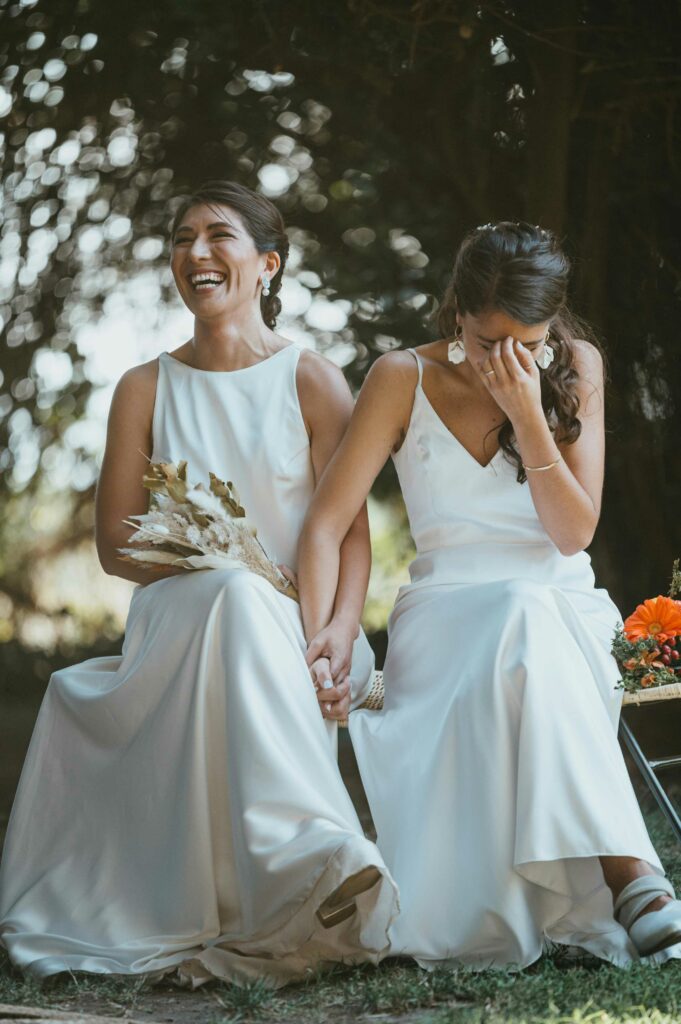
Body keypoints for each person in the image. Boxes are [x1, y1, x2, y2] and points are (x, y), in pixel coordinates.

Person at [0, 180, 397, 987]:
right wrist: (219, 559)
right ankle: (310, 852)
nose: (196, 253)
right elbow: (117, 547)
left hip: (306, 623)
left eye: (219, 235)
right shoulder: (143, 388)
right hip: (178, 619)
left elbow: (352, 535)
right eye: (182, 238)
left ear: (267, 266)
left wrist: (338, 630)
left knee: (251, 602)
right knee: (232, 594)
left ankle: (298, 871)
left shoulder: (312, 379)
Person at [298, 222, 681, 968]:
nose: (506, 359)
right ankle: (629, 877)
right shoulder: (399, 376)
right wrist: (331, 631)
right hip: (443, 611)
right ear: (456, 314)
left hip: (559, 604)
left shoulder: (579, 366)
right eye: (485, 342)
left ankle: (623, 879)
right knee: (514, 613)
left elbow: (571, 536)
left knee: (526, 610)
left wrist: (529, 413)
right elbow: (324, 523)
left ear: (551, 325)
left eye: (527, 342)